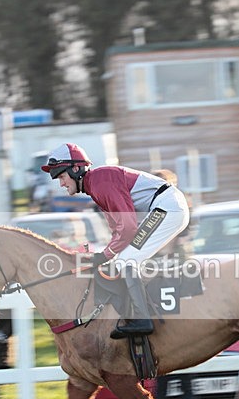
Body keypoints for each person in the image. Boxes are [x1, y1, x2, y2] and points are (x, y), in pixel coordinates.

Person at [40, 143, 190, 339]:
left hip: (167, 207)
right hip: (166, 206)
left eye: (61, 177)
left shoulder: (101, 182)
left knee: (125, 261)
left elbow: (128, 229)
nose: (61, 184)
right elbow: (118, 232)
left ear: (76, 169)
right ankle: (139, 312)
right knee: (123, 260)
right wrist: (104, 256)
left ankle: (142, 319)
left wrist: (104, 255)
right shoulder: (96, 185)